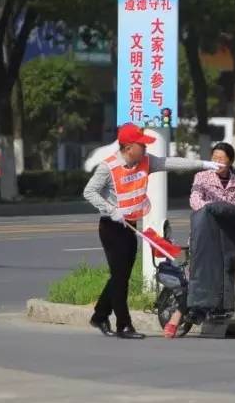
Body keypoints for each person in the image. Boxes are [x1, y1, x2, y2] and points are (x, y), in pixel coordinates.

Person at [83, 123, 220, 339]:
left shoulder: (145, 161)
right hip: (111, 227)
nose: (146, 149)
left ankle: (99, 315)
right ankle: (124, 325)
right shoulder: (107, 167)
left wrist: (203, 164)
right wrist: (110, 210)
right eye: (142, 145)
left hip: (130, 226)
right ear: (128, 148)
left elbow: (171, 163)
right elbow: (89, 192)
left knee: (121, 276)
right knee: (120, 277)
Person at [164, 143, 235, 338]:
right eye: (215, 158)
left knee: (234, 275)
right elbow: (195, 201)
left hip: (230, 237)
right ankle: (177, 317)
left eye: (222, 159)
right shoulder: (201, 177)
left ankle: (230, 321)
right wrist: (215, 210)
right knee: (200, 277)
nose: (218, 162)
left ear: (230, 161)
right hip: (206, 236)